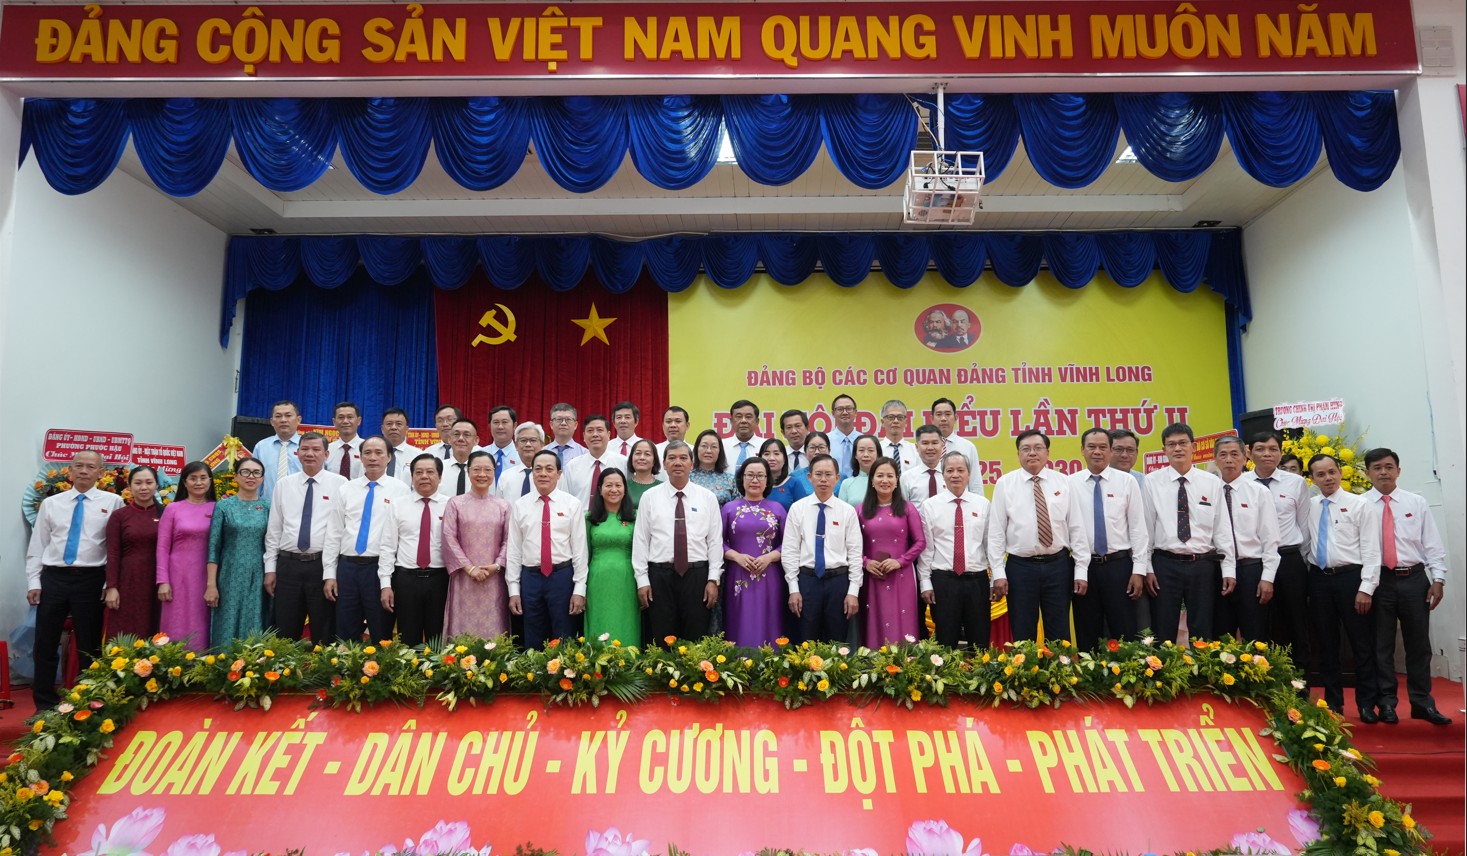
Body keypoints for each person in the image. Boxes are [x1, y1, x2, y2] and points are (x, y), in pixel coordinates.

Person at [26, 450, 124, 710]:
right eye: (78, 465)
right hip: (54, 578)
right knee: (45, 643)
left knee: (89, 645)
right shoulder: (51, 503)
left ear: (101, 472)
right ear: (70, 470)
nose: (83, 471)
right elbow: (38, 545)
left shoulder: (114, 502)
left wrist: (109, 583)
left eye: (90, 467)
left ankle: (86, 703)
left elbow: (115, 548)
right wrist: (34, 582)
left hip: (91, 580)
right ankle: (44, 705)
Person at [1362, 448, 1450, 725]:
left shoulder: (1416, 502)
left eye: (1389, 467)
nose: (1383, 472)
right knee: (1382, 645)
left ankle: (1422, 703)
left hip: (1414, 579)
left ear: (1398, 471)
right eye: (1377, 467)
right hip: (1379, 581)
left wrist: (1438, 579)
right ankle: (1387, 703)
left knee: (1419, 644)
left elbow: (1432, 543)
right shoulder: (1360, 504)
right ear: (1367, 473)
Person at [988, 430, 1090, 644]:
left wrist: (1081, 570)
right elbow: (996, 533)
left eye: (1038, 448)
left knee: (1059, 632)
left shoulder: (1064, 482)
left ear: (1047, 453)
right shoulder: (1005, 484)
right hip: (1020, 568)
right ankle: (1025, 667)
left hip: (1059, 566)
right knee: (1023, 632)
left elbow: (1077, 528)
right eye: (1026, 449)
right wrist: (998, 572)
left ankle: (1059, 667)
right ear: (1018, 454)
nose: (1032, 453)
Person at [1141, 423, 1236, 647]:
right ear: (1164, 450)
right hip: (1164, 564)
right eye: (1171, 444)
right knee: (1163, 628)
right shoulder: (1151, 482)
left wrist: (1229, 569)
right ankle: (1163, 669)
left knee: (1203, 629)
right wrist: (1147, 568)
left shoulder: (1212, 482)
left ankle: (1202, 670)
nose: (1177, 449)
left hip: (1203, 565)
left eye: (1183, 443)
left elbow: (1222, 529)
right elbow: (1146, 529)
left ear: (1193, 447)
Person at [1304, 453, 1382, 721]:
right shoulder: (1310, 506)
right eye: (1321, 474)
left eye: (1332, 472)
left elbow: (1371, 550)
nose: (1328, 478)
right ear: (1312, 479)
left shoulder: (1359, 504)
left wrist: (1366, 588)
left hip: (1351, 579)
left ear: (1339, 472)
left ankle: (1366, 704)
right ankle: (1333, 703)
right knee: (1326, 644)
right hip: (1319, 579)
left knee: (1361, 644)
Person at [633, 441, 724, 643]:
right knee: (662, 638)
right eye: (672, 458)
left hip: (697, 576)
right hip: (659, 576)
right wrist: (642, 580)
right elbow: (641, 540)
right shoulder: (650, 497)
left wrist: (713, 579)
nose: (677, 463)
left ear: (692, 464)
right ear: (664, 464)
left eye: (683, 458)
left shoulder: (707, 498)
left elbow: (715, 542)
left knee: (695, 639)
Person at [1069, 428, 1151, 649]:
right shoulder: (1069, 484)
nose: (1097, 451)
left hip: (1119, 566)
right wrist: (1079, 571)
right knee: (1087, 633)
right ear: (1082, 450)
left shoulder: (1127, 482)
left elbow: (1138, 529)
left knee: (1124, 631)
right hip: (1084, 567)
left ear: (1110, 451)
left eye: (1103, 447)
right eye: (1091, 447)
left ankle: (1126, 670)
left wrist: (1138, 570)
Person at [323, 436, 409, 643]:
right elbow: (334, 533)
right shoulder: (346, 489)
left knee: (381, 633)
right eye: (367, 453)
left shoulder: (400, 490)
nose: (373, 457)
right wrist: (329, 574)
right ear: (360, 457)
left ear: (389, 457)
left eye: (379, 453)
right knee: (345, 633)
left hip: (379, 569)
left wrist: (388, 579)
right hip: (347, 568)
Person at [264, 432, 347, 642]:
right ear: (297, 452)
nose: (310, 454)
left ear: (326, 454)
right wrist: (270, 569)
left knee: (324, 632)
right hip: (288, 565)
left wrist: (331, 572)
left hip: (321, 565)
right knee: (285, 631)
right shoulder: (284, 484)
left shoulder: (340, 484)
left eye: (316, 449)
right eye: (305, 449)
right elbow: (274, 530)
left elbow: (341, 529)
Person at [1244, 431, 1312, 675]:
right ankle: (1262, 678)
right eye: (1260, 449)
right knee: (1259, 623)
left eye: (1273, 449)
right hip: (1255, 561)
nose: (1267, 454)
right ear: (1249, 452)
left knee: (1295, 621)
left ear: (1280, 453)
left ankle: (1299, 682)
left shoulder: (1296, 483)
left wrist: (1302, 563)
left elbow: (1304, 525)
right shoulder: (1241, 483)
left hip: (1289, 559)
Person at [506, 450, 588, 648]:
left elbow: (580, 551)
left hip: (562, 577)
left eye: (549, 469)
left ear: (559, 474)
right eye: (538, 469)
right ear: (532, 473)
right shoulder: (520, 505)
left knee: (565, 636)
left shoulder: (572, 504)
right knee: (533, 637)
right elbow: (514, 551)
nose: (543, 473)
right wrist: (513, 590)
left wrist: (579, 589)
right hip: (531, 578)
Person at [782, 454, 863, 643]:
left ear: (837, 478)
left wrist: (853, 591)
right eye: (818, 474)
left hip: (838, 582)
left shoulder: (847, 511)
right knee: (806, 640)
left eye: (829, 474)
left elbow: (855, 553)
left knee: (837, 642)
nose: (823, 479)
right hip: (807, 581)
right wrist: (793, 588)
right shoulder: (797, 508)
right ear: (810, 477)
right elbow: (790, 551)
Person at [1209, 436, 1279, 643]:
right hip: (1217, 570)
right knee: (1221, 636)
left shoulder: (1259, 492)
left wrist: (1267, 577)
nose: (1229, 460)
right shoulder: (1207, 491)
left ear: (1245, 458)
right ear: (1215, 459)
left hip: (1251, 570)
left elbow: (1270, 538)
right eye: (1223, 455)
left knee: (1255, 635)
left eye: (1234, 454)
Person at [919, 452, 993, 649]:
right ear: (943, 474)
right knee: (945, 642)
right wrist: (925, 582)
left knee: (980, 642)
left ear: (969, 474)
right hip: (944, 581)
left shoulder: (983, 504)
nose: (955, 475)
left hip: (977, 580)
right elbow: (926, 549)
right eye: (950, 470)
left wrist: (995, 577)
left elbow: (990, 544)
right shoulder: (930, 506)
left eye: (960, 470)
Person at [377, 454, 450, 646]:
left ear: (440, 477)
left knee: (437, 639)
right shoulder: (398, 505)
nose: (424, 476)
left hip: (440, 580)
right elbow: (387, 547)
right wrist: (385, 584)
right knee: (408, 639)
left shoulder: (451, 505)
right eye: (419, 472)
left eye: (430, 472)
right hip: (406, 580)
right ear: (412, 477)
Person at [442, 450, 512, 639]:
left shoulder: (504, 506)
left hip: (494, 578)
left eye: (487, 470)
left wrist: (497, 565)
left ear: (494, 473)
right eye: (477, 469)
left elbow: (509, 540)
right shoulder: (455, 504)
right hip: (464, 578)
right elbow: (448, 537)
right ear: (468, 471)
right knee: (463, 632)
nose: (482, 474)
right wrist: (469, 568)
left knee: (494, 629)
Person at [859, 458, 926, 646]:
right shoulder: (860, 510)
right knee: (874, 622)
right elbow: (852, 546)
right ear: (872, 480)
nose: (885, 480)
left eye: (890, 476)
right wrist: (866, 562)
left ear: (897, 480)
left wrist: (900, 561)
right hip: (871, 577)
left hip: (901, 577)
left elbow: (920, 542)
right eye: (880, 475)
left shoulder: (907, 508)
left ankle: (906, 662)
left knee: (902, 623)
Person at [721, 457, 787, 647]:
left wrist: (770, 557)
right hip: (738, 575)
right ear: (742, 479)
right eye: (750, 475)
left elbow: (790, 545)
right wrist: (736, 556)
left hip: (770, 576)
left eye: (760, 476)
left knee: (769, 623)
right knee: (740, 624)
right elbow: (716, 543)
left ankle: (770, 663)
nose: (755, 480)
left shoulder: (778, 509)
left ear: (767, 480)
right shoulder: (729, 509)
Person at [206, 458, 270, 646]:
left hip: (259, 574)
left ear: (262, 478)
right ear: (235, 476)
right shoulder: (224, 506)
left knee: (255, 620)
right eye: (245, 472)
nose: (251, 476)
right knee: (227, 620)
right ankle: (223, 661)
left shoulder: (268, 507)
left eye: (256, 472)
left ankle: (253, 663)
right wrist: (211, 585)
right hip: (229, 575)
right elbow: (214, 547)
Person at [156, 461, 217, 651]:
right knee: (176, 620)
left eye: (203, 478)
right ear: (184, 482)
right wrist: (162, 581)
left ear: (210, 481)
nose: (198, 482)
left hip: (208, 576)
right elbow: (162, 547)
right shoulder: (173, 509)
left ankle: (202, 663)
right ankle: (173, 661)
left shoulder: (218, 508)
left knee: (203, 620)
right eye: (193, 478)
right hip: (178, 576)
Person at [104, 465, 164, 640]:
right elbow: (113, 554)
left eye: (149, 482)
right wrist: (112, 587)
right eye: (138, 483)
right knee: (127, 631)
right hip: (129, 581)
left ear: (156, 485)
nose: (143, 487)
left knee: (157, 627)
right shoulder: (119, 516)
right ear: (129, 486)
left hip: (158, 580)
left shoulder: (167, 513)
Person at [584, 468, 641, 645]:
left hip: (627, 580)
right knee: (599, 621)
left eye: (618, 485)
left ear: (625, 489)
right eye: (608, 485)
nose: (614, 490)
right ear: (600, 489)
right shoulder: (589, 519)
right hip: (597, 581)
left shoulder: (635, 517)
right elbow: (584, 555)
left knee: (626, 623)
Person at [564, 414, 628, 506]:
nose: (595, 434)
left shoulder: (623, 463)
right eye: (590, 431)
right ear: (584, 436)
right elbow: (566, 499)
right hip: (580, 514)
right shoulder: (572, 466)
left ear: (609, 435)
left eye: (600, 430)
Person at [253, 399, 302, 498]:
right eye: (278, 416)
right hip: (267, 504)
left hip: (300, 504)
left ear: (298, 420)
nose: (283, 420)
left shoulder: (308, 447)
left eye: (288, 415)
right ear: (272, 421)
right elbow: (255, 479)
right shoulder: (261, 447)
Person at [930, 397, 981, 492]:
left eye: (948, 414)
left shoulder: (968, 446)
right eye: (939, 414)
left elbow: (975, 483)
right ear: (932, 419)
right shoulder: (924, 448)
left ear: (955, 418)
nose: (943, 418)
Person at [495, 422, 544, 500]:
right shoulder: (506, 476)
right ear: (516, 445)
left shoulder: (552, 476)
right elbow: (499, 506)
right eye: (523, 440)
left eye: (533, 440)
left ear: (542, 445)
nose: (528, 444)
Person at [787, 432, 844, 498]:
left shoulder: (841, 477)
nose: (817, 452)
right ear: (805, 451)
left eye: (821, 447)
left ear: (829, 450)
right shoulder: (795, 477)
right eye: (812, 447)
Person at [901, 425, 947, 503]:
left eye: (934, 443)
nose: (930, 448)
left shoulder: (951, 476)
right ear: (916, 447)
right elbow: (903, 507)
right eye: (925, 443)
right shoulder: (907, 478)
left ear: (942, 446)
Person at [690, 429, 736, 503]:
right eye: (704, 446)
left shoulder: (730, 480)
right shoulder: (687, 478)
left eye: (714, 447)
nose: (708, 451)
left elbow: (737, 507)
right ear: (696, 449)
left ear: (720, 451)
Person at [439, 418, 480, 498]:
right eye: (456, 434)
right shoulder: (439, 469)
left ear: (476, 441)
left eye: (466, 435)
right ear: (449, 439)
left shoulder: (482, 472)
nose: (461, 439)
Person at [761, 438, 805, 510]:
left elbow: (803, 511)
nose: (771, 458)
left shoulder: (794, 483)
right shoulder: (755, 483)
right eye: (766, 454)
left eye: (776, 454)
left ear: (784, 459)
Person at [837, 434, 882, 505]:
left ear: (878, 455)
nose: (866, 455)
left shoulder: (886, 482)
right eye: (861, 450)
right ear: (855, 455)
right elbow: (841, 510)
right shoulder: (847, 483)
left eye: (870, 450)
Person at [381, 407, 421, 485]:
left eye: (399, 424)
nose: (393, 427)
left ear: (407, 429)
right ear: (382, 429)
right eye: (389, 424)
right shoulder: (372, 454)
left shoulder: (417, 455)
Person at [722, 400, 764, 472]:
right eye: (738, 417)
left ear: (757, 421)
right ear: (731, 421)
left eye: (748, 417)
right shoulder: (721, 446)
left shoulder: (766, 446)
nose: (743, 421)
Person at [326, 401, 365, 480]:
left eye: (350, 417)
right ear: (334, 422)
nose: (345, 421)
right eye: (341, 417)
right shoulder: (327, 450)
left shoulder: (367, 448)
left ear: (359, 421)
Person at [877, 400, 917, 471]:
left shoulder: (915, 450)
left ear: (906, 422)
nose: (896, 421)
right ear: (882, 422)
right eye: (891, 417)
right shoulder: (876, 449)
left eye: (900, 417)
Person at [828, 395, 861, 477]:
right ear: (833, 413)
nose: (845, 412)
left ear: (855, 412)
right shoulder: (825, 441)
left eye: (849, 409)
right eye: (840, 409)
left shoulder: (864, 440)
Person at [485, 405, 519, 481]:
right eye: (496, 422)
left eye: (504, 422)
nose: (500, 427)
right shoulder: (480, 454)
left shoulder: (522, 456)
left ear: (514, 425)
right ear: (489, 426)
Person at [625, 439, 661, 507]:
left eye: (647, 454)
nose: (642, 458)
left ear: (654, 461)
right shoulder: (623, 487)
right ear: (631, 458)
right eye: (638, 453)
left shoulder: (663, 487)